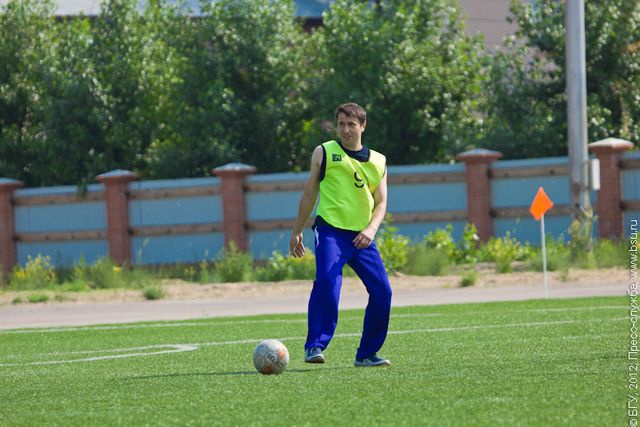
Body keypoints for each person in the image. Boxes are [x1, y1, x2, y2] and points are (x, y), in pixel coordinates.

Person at [289, 102, 392, 367]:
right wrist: (297, 231)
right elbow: (309, 194)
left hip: (362, 238)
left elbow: (381, 203)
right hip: (331, 232)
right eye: (341, 124)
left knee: (383, 292)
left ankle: (366, 354)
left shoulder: (378, 161)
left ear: (363, 126)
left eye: (351, 124)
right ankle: (315, 346)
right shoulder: (324, 152)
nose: (345, 130)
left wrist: (370, 230)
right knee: (327, 282)